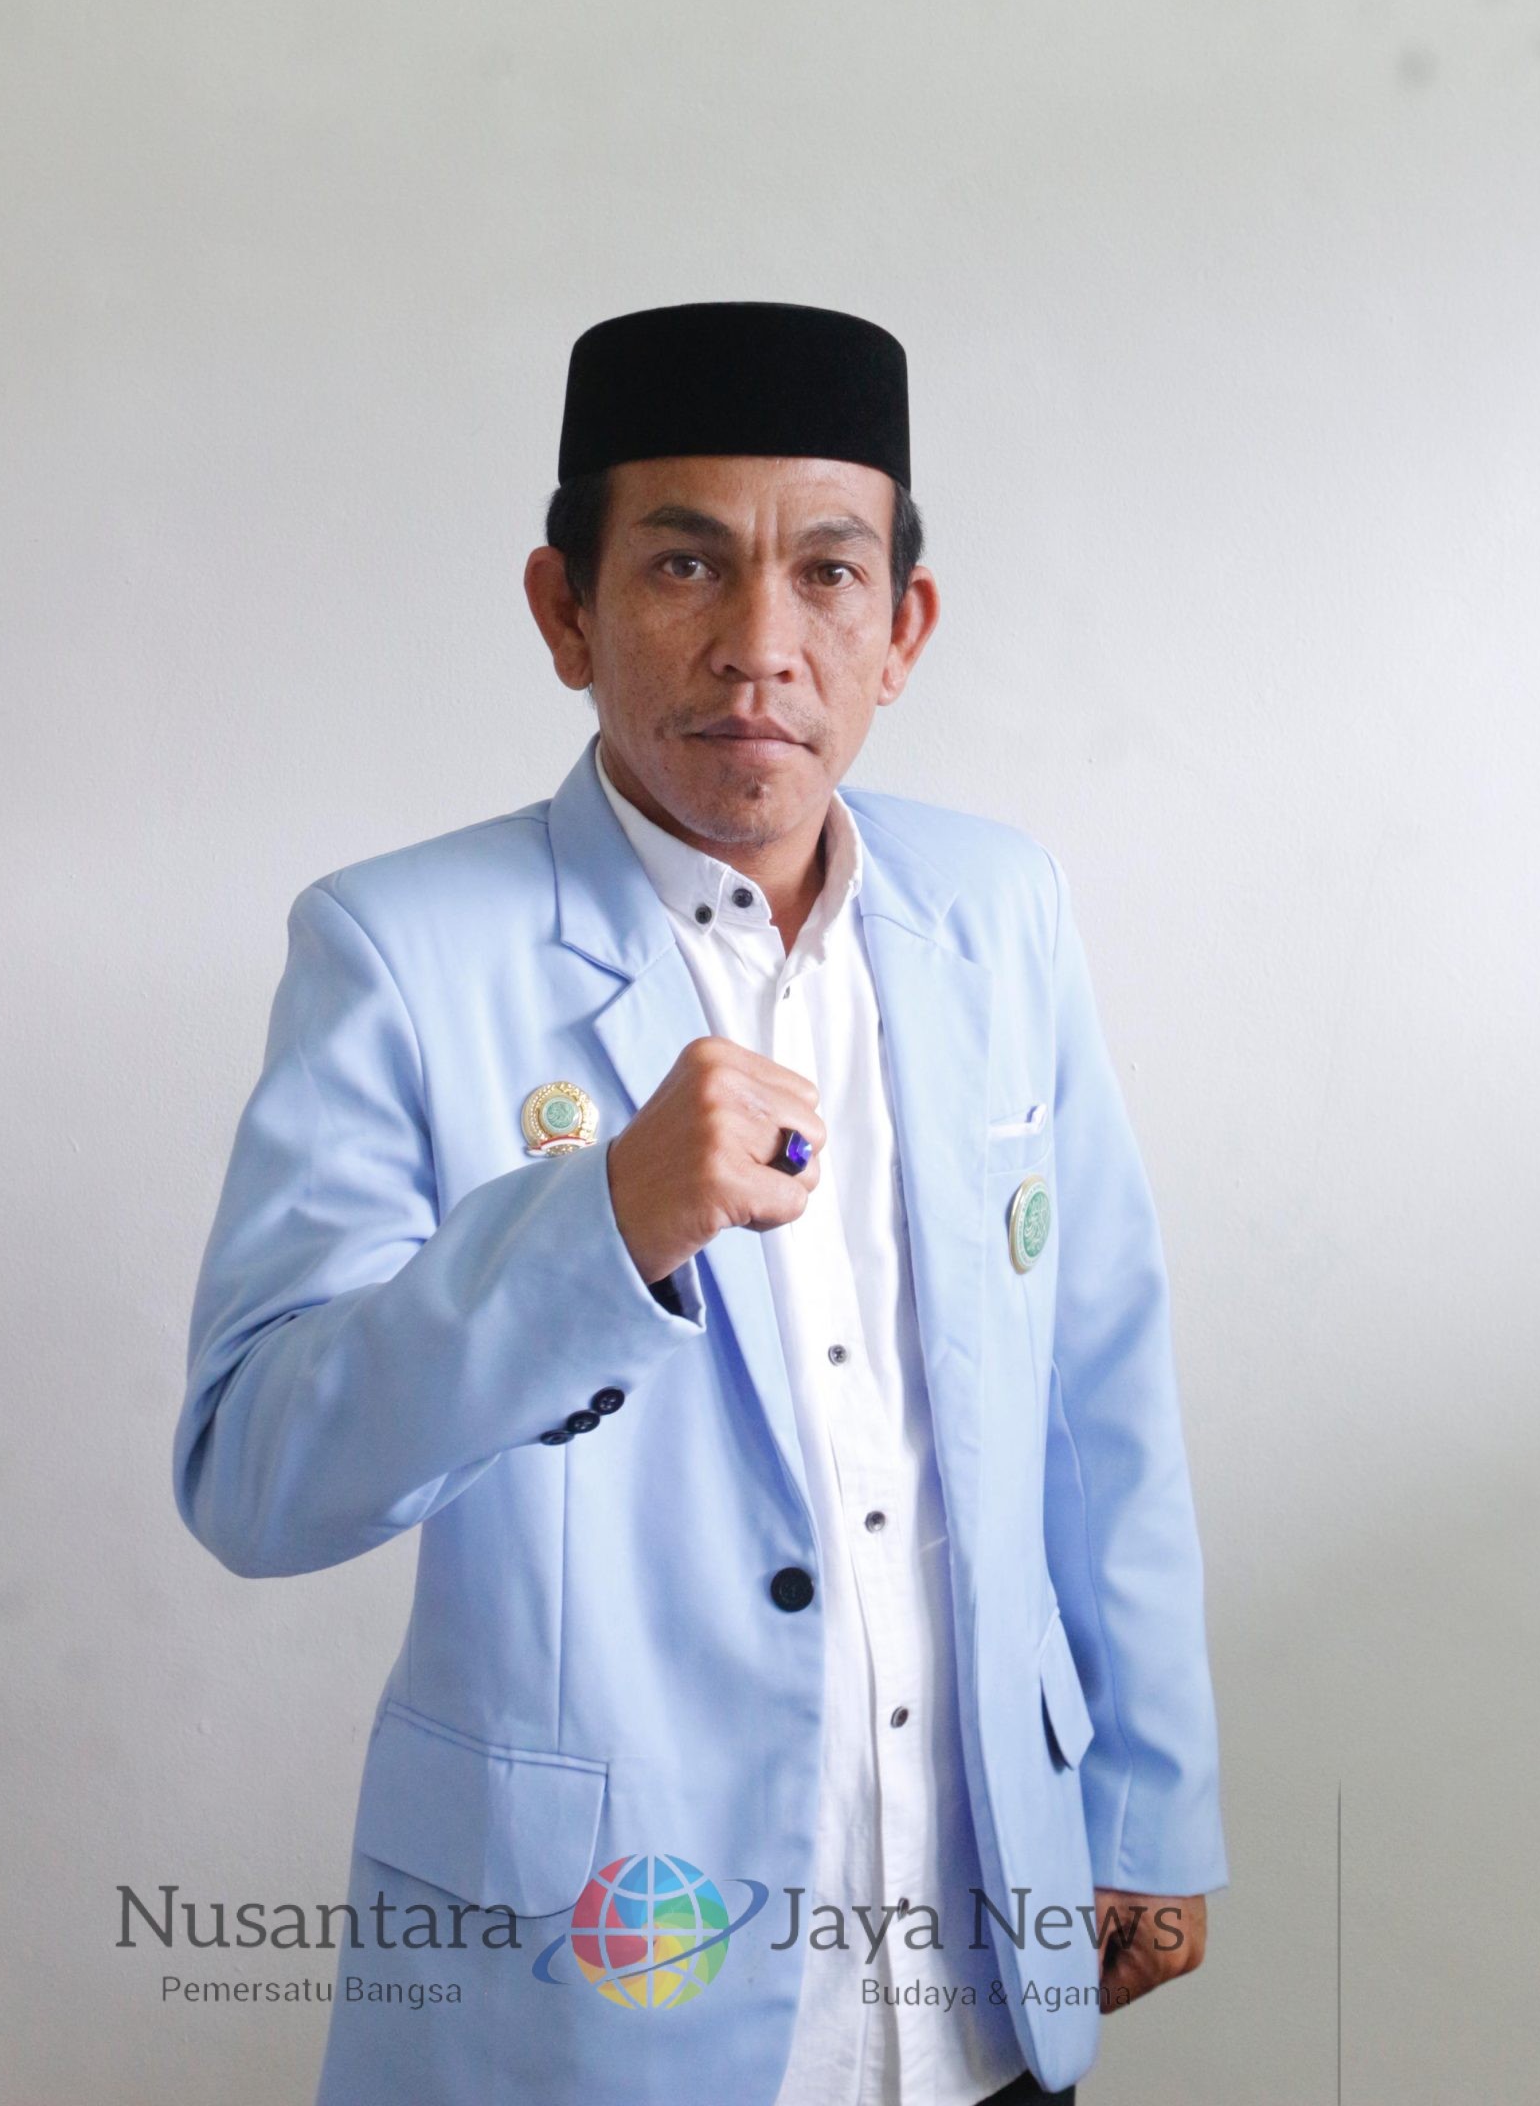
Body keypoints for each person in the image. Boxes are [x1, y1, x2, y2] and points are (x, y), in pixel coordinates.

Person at [172, 299, 1228, 2106]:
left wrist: (1146, 1797)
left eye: (828, 573)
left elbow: (1097, 1379)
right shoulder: (401, 951)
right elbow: (254, 1472)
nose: (760, 646)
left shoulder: (1000, 911)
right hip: (591, 1992)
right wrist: (596, 1229)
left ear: (902, 629)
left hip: (985, 1961)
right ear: (563, 611)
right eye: (683, 564)